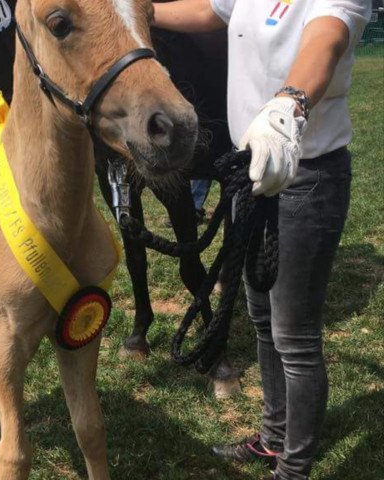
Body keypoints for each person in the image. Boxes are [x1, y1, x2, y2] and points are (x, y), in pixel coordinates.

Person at [153, 1, 371, 479]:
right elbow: (211, 10)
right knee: (261, 318)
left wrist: (287, 106)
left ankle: (293, 468)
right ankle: (274, 438)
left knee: (294, 337)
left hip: (306, 176)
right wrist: (142, 9)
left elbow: (327, 38)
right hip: (249, 173)